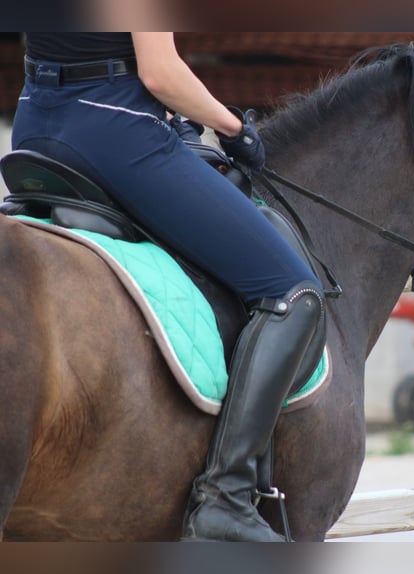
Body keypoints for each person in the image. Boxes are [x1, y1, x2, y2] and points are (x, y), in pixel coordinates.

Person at [13, 32, 326, 542]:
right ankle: (225, 498)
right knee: (292, 293)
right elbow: (160, 72)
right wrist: (233, 129)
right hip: (116, 130)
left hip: (34, 122)